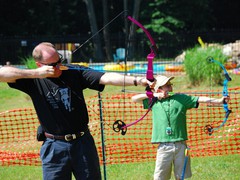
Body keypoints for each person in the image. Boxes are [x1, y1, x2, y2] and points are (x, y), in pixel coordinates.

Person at [1, 42, 148, 180]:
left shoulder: (73, 71)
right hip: (54, 147)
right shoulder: (33, 79)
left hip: (83, 143)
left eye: (60, 61)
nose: (59, 66)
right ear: (40, 65)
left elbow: (106, 77)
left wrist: (138, 80)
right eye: (53, 65)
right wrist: (36, 73)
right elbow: (2, 73)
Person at [131, 75, 229, 180]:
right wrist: (154, 95)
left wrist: (220, 101)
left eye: (170, 85)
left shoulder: (181, 98)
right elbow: (134, 98)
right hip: (164, 147)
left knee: (180, 177)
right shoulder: (153, 101)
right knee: (159, 177)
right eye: (167, 86)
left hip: (181, 145)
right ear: (159, 89)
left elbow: (201, 99)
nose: (170, 88)